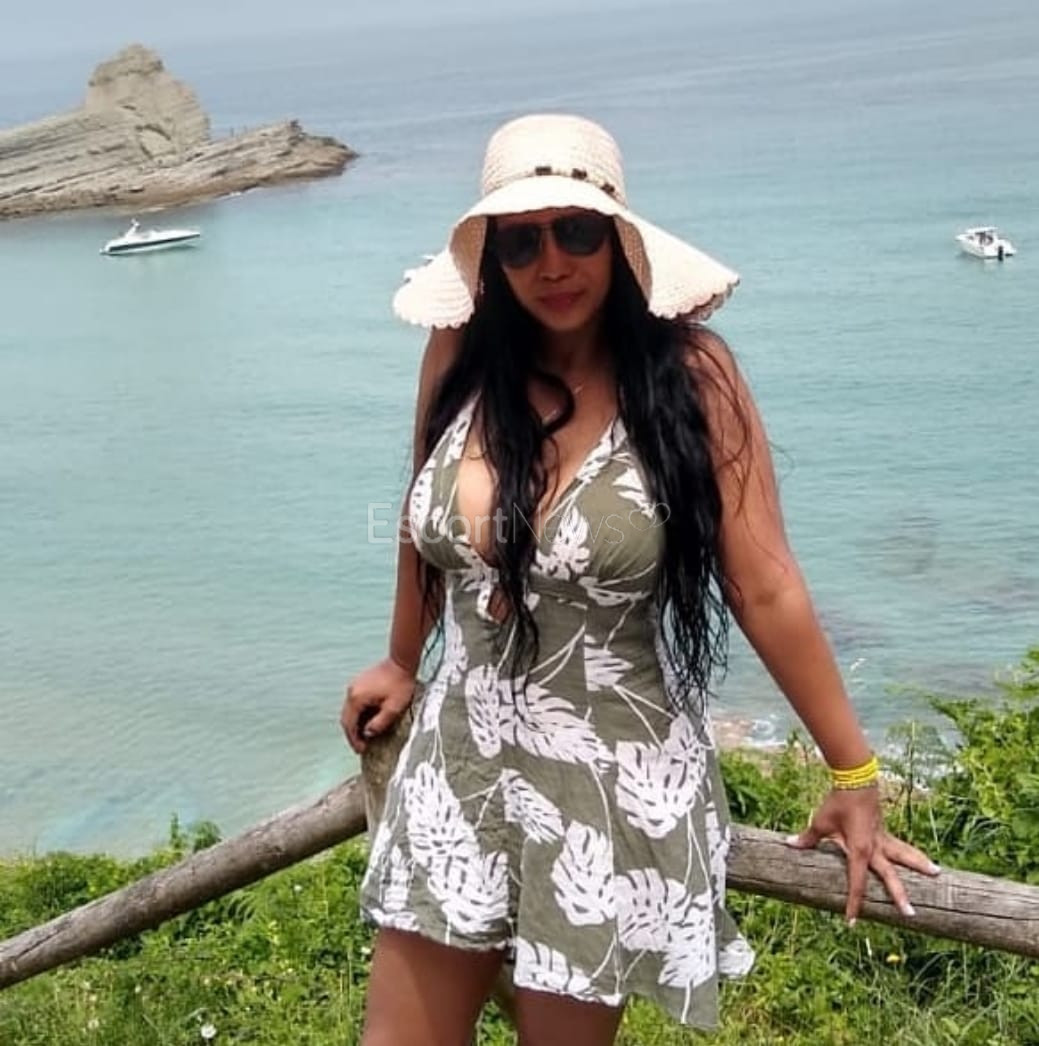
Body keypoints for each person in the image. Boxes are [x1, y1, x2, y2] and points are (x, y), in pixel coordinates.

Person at [341, 113, 938, 1045]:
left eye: (575, 232)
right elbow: (423, 524)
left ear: (618, 239)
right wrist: (399, 659)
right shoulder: (459, 356)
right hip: (456, 764)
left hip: (608, 784)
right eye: (521, 241)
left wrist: (852, 770)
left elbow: (765, 586)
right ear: (492, 257)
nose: (552, 263)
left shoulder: (690, 376)